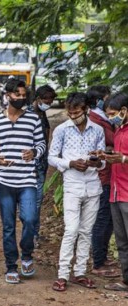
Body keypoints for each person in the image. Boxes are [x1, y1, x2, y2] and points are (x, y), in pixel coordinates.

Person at [0, 78, 46, 284]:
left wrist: (34, 152)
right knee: (8, 226)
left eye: (24, 95)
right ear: (8, 95)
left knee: (29, 219)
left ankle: (27, 255)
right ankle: (11, 266)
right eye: (17, 95)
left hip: (27, 180)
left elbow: (42, 144)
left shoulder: (33, 119)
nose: (21, 98)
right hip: (5, 182)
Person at [48, 92, 105, 292]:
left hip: (92, 185)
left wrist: (98, 162)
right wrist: (70, 163)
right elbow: (52, 157)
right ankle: (62, 274)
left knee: (86, 231)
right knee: (71, 230)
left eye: (77, 112)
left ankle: (80, 273)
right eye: (70, 113)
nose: (73, 116)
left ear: (86, 109)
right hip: (72, 184)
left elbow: (103, 159)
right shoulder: (62, 130)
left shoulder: (97, 130)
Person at [86, 85, 120, 278]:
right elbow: (112, 142)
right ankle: (98, 263)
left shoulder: (102, 119)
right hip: (102, 176)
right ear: (99, 100)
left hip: (109, 175)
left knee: (108, 220)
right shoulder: (97, 121)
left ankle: (102, 256)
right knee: (102, 220)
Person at [101, 93, 128, 293]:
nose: (111, 118)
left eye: (113, 114)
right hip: (116, 192)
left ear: (124, 110)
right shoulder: (119, 131)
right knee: (121, 241)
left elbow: (124, 158)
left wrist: (124, 159)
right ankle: (126, 280)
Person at [27, 85, 57, 248]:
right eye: (46, 100)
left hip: (41, 164)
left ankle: (34, 234)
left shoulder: (42, 113)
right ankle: (31, 236)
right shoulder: (28, 115)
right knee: (33, 201)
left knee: (37, 200)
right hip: (31, 166)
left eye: (51, 100)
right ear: (38, 99)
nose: (49, 103)